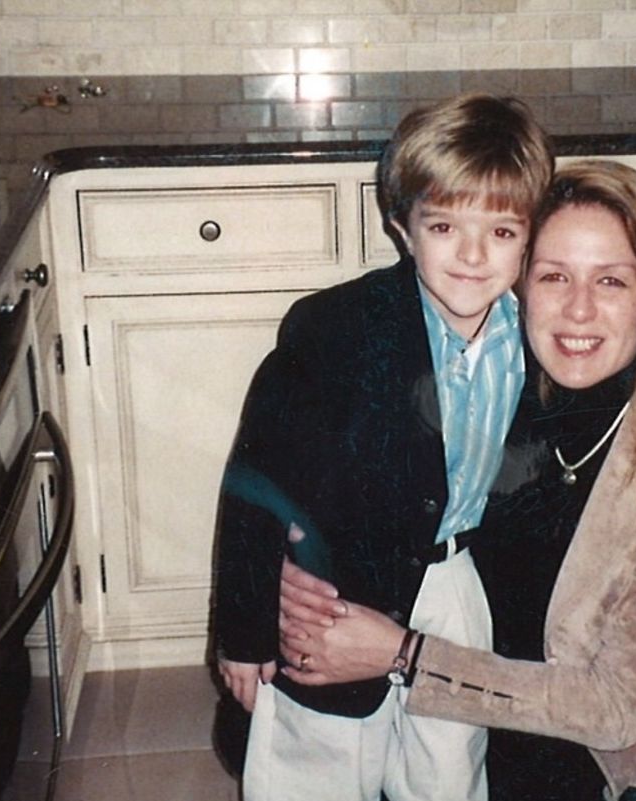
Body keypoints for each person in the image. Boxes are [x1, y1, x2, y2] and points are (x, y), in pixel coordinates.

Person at [278, 160, 636, 800]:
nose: (578, 310)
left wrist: (402, 655)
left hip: (618, 756)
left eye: (611, 281)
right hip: (474, 714)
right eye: (554, 276)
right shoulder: (483, 393)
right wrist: (303, 570)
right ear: (518, 288)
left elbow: (612, 711)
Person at [212, 92, 554, 801]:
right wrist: (244, 629)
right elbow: (254, 484)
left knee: (450, 760)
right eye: (444, 225)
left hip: (457, 578)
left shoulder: (534, 337)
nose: (471, 254)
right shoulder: (334, 331)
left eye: (500, 232)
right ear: (403, 226)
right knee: (319, 756)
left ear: (529, 239)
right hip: (337, 582)